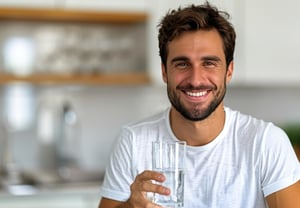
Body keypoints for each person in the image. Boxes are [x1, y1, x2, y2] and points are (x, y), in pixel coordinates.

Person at [98, 2, 300, 208]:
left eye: (209, 63)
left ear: (229, 71)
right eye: (182, 64)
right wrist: (130, 206)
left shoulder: (266, 143)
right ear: (165, 72)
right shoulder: (133, 142)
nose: (195, 80)